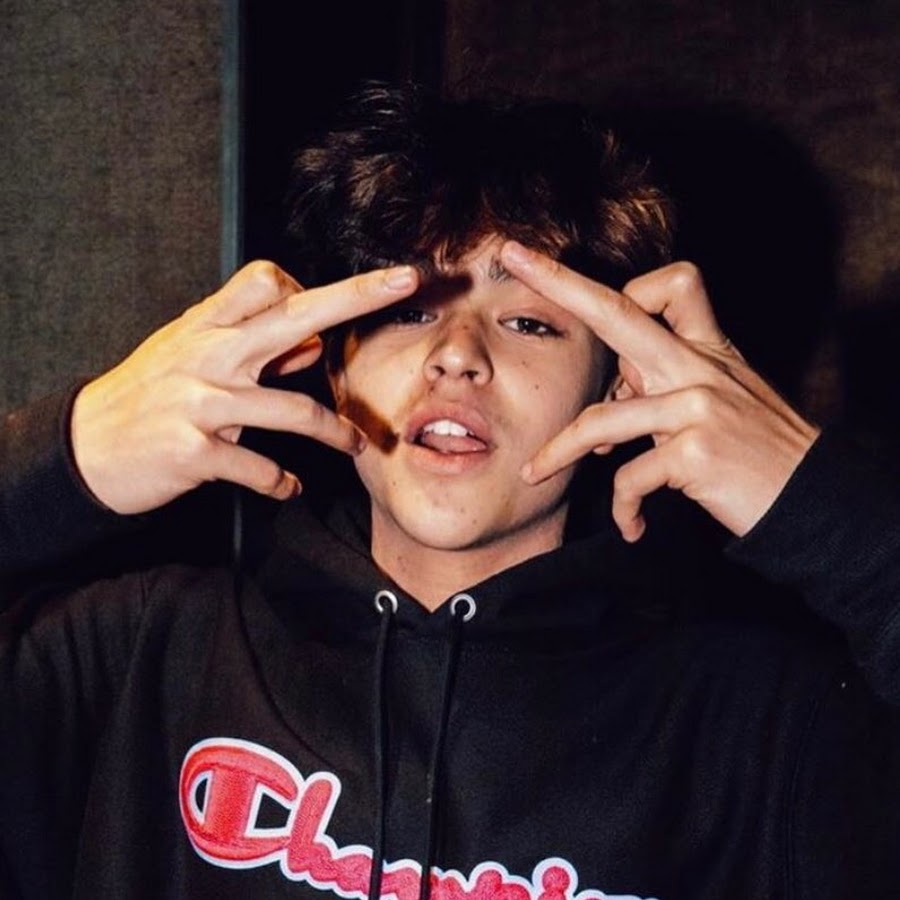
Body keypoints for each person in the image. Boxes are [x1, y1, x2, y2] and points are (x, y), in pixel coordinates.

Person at [2, 85, 900, 900]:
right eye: (410, 308)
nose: (457, 355)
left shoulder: (763, 729)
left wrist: (824, 509)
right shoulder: (134, 657)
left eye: (529, 321)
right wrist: (72, 452)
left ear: (618, 387)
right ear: (332, 364)